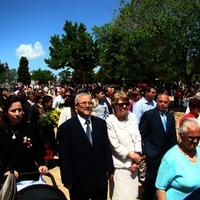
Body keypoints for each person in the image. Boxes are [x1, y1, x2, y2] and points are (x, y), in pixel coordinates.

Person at [58, 93, 114, 200]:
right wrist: (67, 179)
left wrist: (110, 169)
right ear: (76, 106)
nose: (87, 105)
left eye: (90, 103)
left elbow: (106, 148)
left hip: (99, 179)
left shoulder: (101, 124)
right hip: (79, 181)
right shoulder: (66, 128)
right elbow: (64, 156)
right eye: (84, 103)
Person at [0, 95, 48, 190]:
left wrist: (41, 164)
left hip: (31, 176)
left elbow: (39, 151)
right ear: (6, 113)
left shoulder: (30, 128)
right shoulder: (1, 132)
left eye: (20, 110)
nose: (17, 113)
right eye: (13, 111)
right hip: (8, 178)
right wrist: (6, 171)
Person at [106, 91, 145, 200]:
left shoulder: (132, 116)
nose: (124, 106)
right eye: (120, 104)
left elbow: (138, 137)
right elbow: (115, 144)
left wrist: (136, 157)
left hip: (133, 165)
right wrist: (132, 156)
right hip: (119, 166)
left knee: (132, 195)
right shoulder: (110, 121)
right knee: (119, 196)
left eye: (126, 104)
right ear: (114, 105)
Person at [139, 92, 177, 200]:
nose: (163, 104)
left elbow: (172, 136)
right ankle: (148, 196)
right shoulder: (149, 115)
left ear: (168, 103)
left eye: (165, 102)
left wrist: (174, 152)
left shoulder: (170, 117)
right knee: (151, 180)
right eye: (160, 101)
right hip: (153, 154)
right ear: (157, 102)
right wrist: (145, 151)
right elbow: (141, 135)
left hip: (167, 154)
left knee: (165, 178)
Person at [156, 118, 200, 200]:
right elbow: (160, 189)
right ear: (181, 136)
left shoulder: (199, 151)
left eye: (198, 137)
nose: (195, 141)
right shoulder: (170, 158)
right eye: (191, 137)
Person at [132, 86, 157, 184]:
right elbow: (136, 122)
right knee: (143, 156)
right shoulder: (139, 105)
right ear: (146, 93)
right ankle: (142, 178)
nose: (154, 94)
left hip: (153, 134)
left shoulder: (155, 104)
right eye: (153, 92)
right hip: (144, 134)